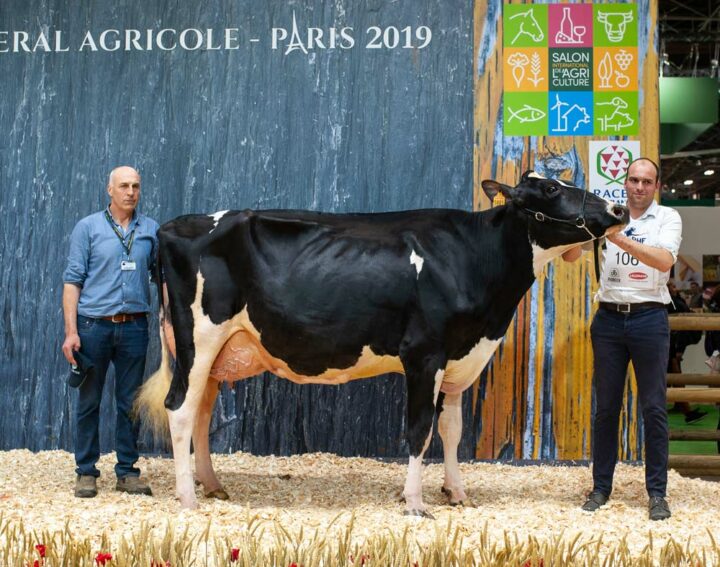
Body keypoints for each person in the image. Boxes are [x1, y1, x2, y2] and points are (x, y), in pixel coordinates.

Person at [563, 157, 681, 521]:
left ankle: (657, 494)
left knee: (654, 409)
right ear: (625, 183)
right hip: (609, 321)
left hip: (650, 318)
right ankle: (600, 488)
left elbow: (664, 261)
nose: (639, 187)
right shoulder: (606, 214)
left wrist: (619, 237)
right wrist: (572, 229)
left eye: (647, 181)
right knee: (606, 410)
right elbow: (569, 256)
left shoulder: (667, 218)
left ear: (656, 186)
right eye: (634, 180)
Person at [62, 166, 159, 498]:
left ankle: (127, 472)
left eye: (135, 186)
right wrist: (71, 332)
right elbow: (72, 281)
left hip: (134, 327)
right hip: (93, 328)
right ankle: (86, 472)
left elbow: (162, 280)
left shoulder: (150, 230)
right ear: (110, 190)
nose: (130, 192)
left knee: (130, 403)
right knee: (89, 402)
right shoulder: (87, 228)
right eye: (124, 186)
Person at [666, 281, 705, 423]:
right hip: (670, 345)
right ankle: (687, 412)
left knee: (675, 378)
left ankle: (685, 410)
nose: (676, 289)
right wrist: (679, 348)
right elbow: (679, 324)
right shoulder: (670, 302)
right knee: (674, 378)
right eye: (673, 286)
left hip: (672, 345)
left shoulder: (676, 300)